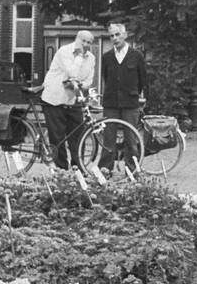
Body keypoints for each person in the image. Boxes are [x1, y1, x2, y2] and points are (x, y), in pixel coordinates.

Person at [41, 30, 96, 169]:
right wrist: (78, 56)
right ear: (76, 39)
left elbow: (89, 80)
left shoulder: (91, 58)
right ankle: (63, 172)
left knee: (78, 136)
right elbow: (72, 73)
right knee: (57, 138)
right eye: (83, 40)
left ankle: (78, 169)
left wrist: (82, 84)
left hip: (74, 98)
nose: (85, 44)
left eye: (89, 42)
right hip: (55, 98)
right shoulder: (63, 51)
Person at [100, 22, 147, 172]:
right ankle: (105, 170)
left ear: (125, 35)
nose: (114, 38)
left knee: (131, 138)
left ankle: (131, 170)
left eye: (117, 34)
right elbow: (106, 78)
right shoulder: (107, 57)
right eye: (111, 35)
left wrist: (135, 95)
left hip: (130, 103)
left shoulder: (136, 55)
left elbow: (143, 80)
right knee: (108, 138)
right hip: (111, 103)